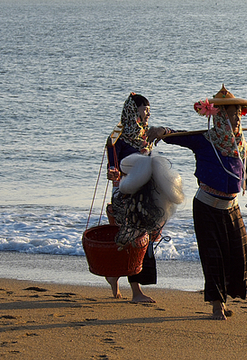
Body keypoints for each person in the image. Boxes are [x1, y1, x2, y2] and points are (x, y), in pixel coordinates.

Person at [149, 85, 247, 320]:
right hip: (206, 208)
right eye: (232, 113)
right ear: (220, 115)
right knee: (213, 257)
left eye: (238, 113)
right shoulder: (205, 140)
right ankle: (217, 306)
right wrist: (163, 130)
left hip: (232, 208)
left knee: (239, 254)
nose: (237, 118)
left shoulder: (240, 144)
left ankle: (226, 297)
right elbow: (178, 136)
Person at [104, 92, 158, 304]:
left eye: (148, 109)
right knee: (132, 237)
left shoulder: (146, 134)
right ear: (132, 110)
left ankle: (114, 276)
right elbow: (112, 161)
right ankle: (136, 292)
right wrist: (113, 172)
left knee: (131, 238)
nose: (148, 113)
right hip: (126, 193)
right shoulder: (118, 135)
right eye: (144, 109)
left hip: (143, 193)